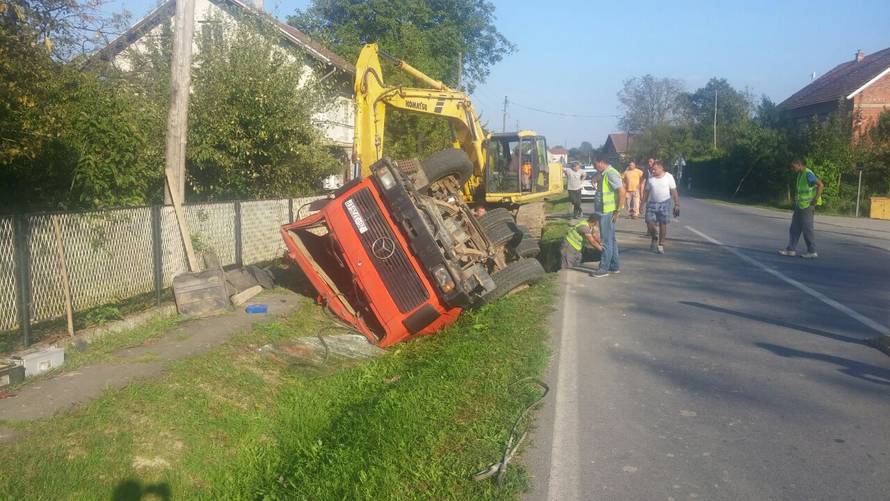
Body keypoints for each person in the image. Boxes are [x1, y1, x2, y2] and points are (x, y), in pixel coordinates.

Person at [779, 159, 823, 259]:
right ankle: (791, 249)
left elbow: (820, 185)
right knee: (794, 228)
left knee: (807, 229)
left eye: (793, 166)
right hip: (800, 205)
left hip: (807, 206)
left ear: (799, 165)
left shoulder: (808, 174)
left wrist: (815, 199)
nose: (792, 168)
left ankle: (812, 251)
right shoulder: (800, 174)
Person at [591, 157, 625, 278]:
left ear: (601, 162)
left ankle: (603, 268)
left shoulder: (611, 174)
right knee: (611, 240)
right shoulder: (605, 173)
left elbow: (622, 192)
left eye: (595, 164)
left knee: (606, 241)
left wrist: (618, 210)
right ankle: (614, 266)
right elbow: (597, 176)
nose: (594, 167)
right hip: (605, 211)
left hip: (607, 211)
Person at [641, 160, 679, 254]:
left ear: (661, 168)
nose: (653, 171)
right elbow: (646, 192)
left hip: (665, 203)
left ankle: (661, 244)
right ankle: (654, 236)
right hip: (652, 203)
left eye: (655, 169)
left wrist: (677, 204)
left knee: (663, 224)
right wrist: (642, 204)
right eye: (652, 169)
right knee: (648, 221)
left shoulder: (668, 177)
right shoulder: (651, 178)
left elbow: (673, 191)